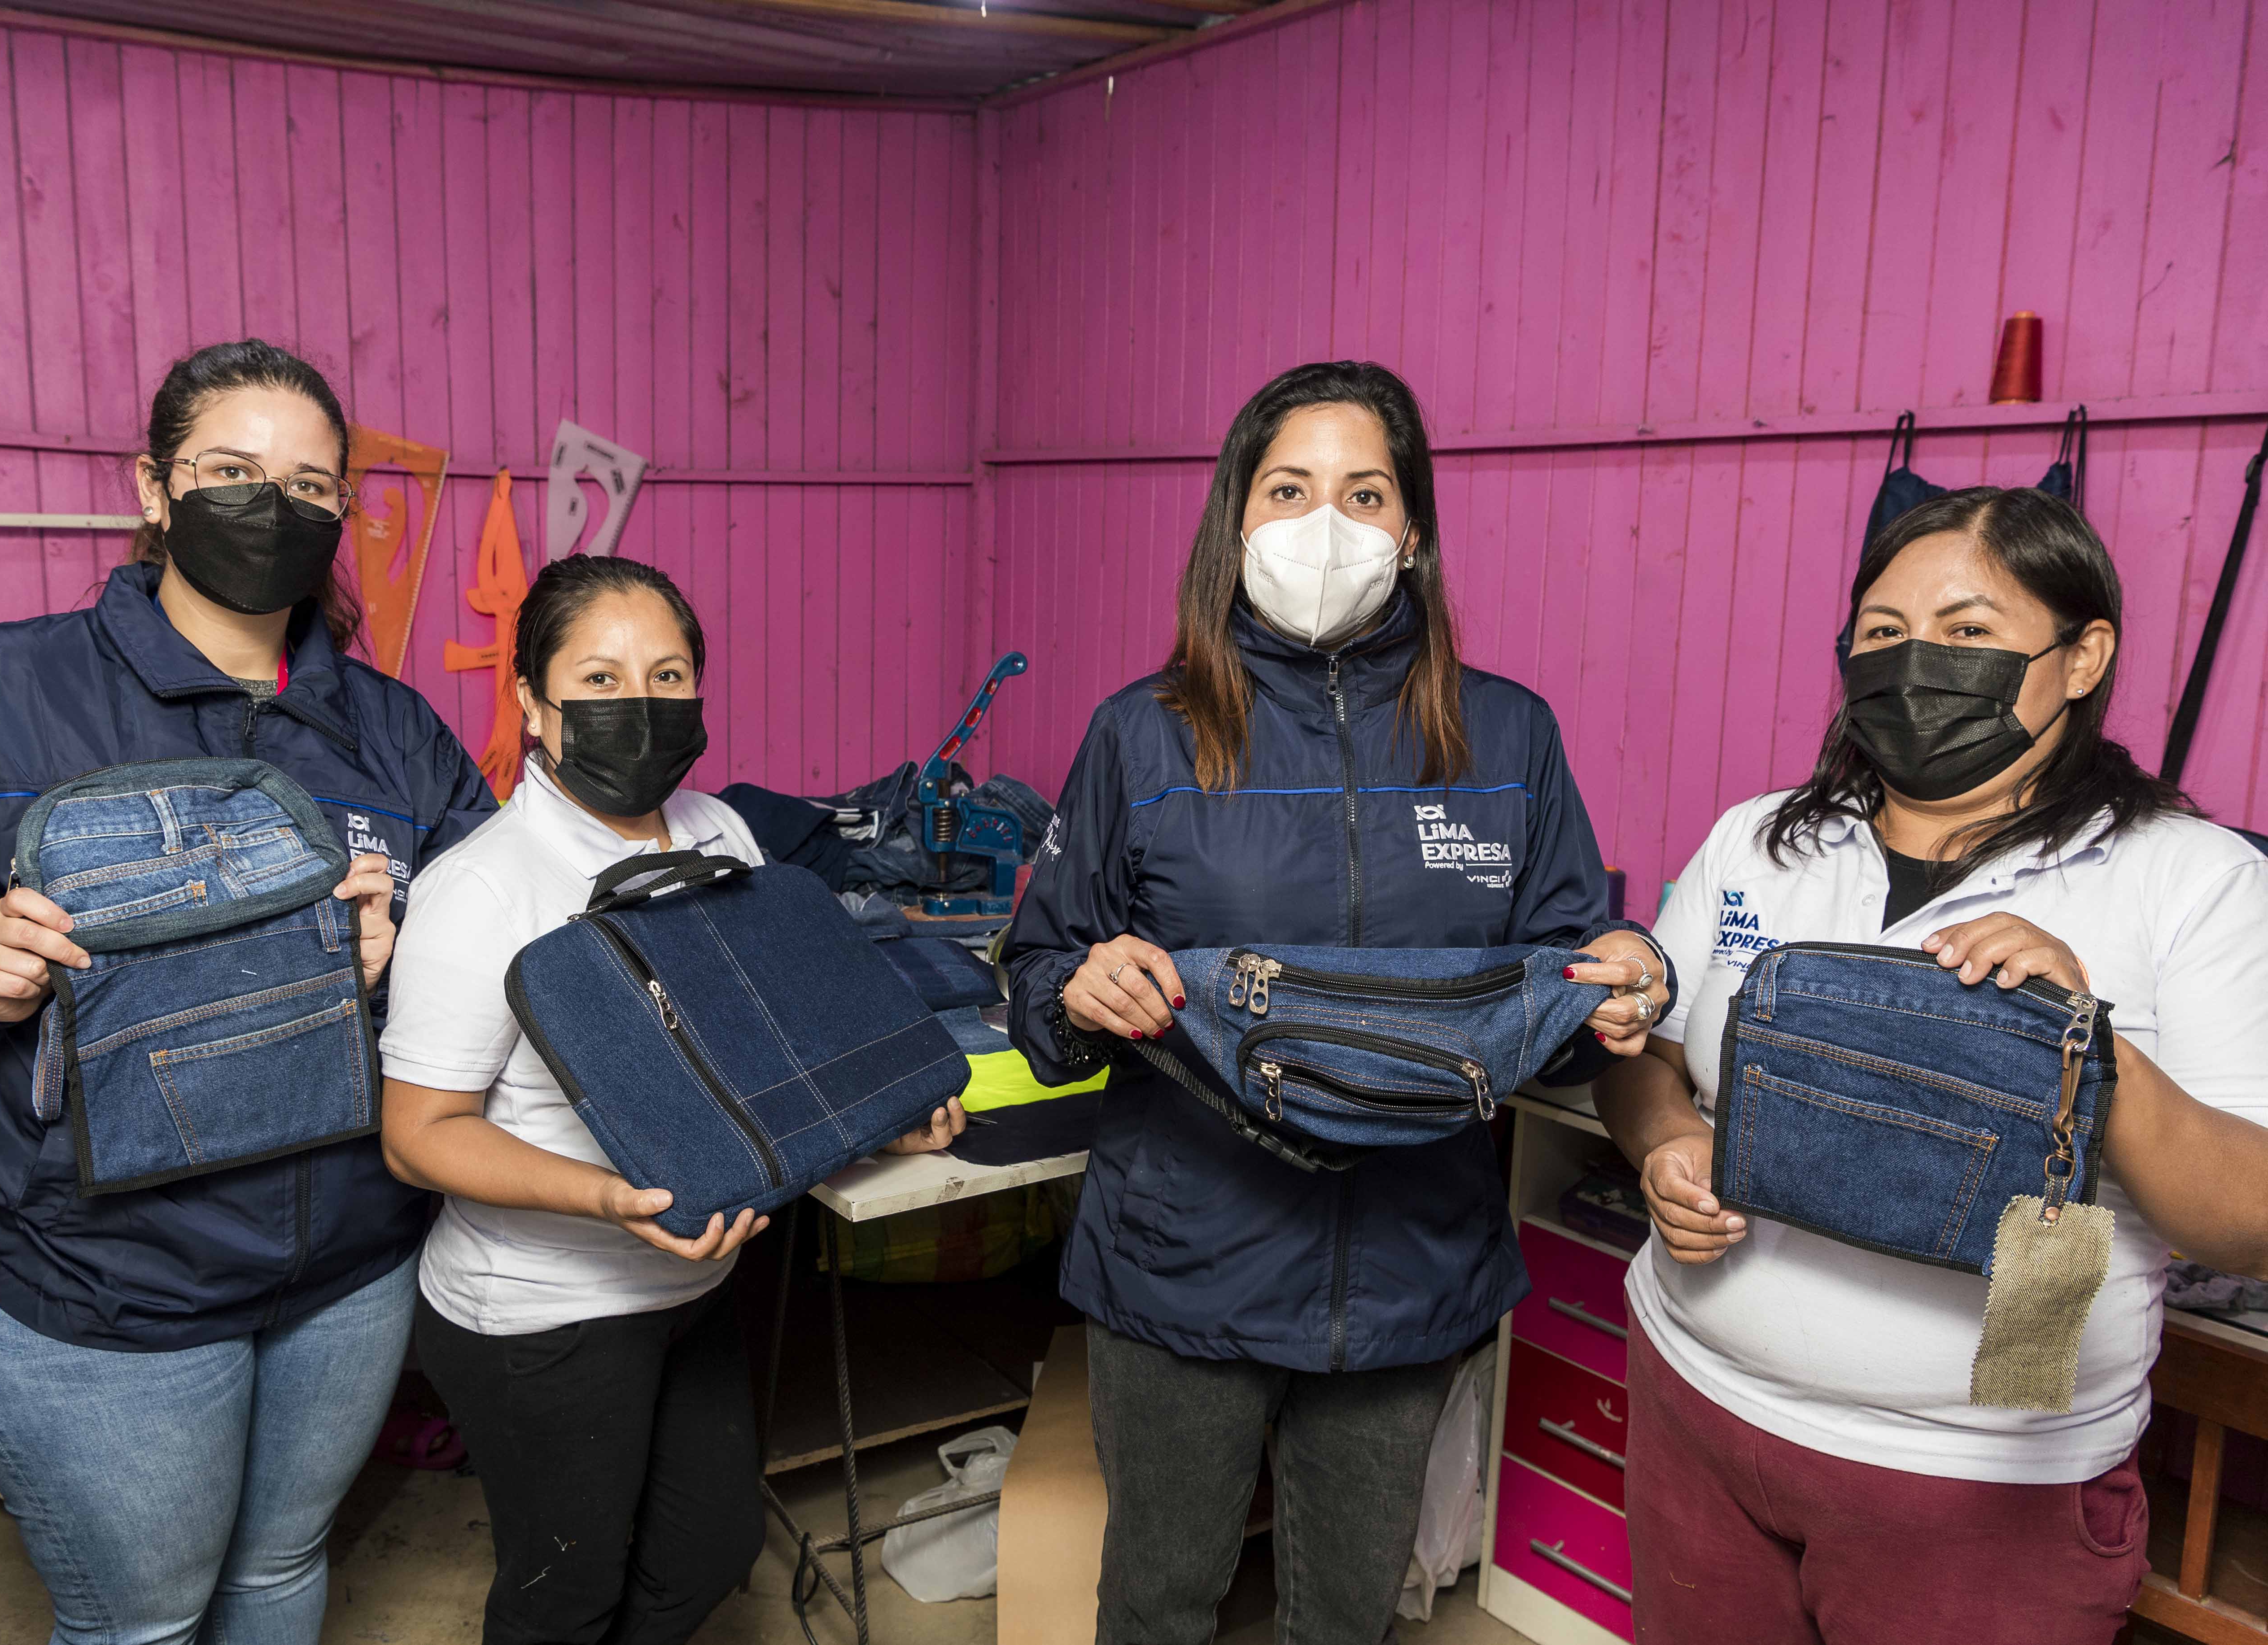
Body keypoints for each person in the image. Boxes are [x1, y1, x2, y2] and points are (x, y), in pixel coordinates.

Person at [0, 338, 502, 1642]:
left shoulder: (398, 735)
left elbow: (496, 942)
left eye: (309, 485)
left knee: (280, 1569)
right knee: (145, 1622)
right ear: (152, 486)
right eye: (230, 470)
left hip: (348, 1276)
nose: (269, 507)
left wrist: (404, 952)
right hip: (107, 1292)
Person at [1003, 360, 1670, 1644]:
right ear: (1235, 520)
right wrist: (1077, 990)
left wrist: (1627, 984)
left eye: (1364, 493)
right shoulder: (1141, 734)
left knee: (1349, 1617)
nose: (1325, 523)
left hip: (1413, 1264)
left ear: (1411, 531)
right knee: (1157, 1603)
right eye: (1288, 489)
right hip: (1184, 1262)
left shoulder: (1507, 736)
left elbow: (1562, 999)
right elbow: (1038, 982)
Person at [1595, 485, 2268, 1645]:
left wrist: (2083, 1039)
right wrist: (1662, 1134)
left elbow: (2246, 1222)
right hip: (1696, 1404)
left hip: (1978, 1482)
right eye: (1883, 631)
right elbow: (1646, 1059)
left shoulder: (2189, 879)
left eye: (1965, 630)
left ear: (2080, 655)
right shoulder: (1759, 838)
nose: (1915, 662)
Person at [378, 553, 967, 1645]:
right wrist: (612, 1199)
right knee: (566, 1597)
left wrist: (873, 1120)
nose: (638, 704)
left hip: (693, 1279)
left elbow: (757, 1042)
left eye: (667, 676)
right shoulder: (482, 886)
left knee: (706, 1552)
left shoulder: (719, 834)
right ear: (532, 703)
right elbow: (418, 1138)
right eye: (598, 680)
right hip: (544, 1311)